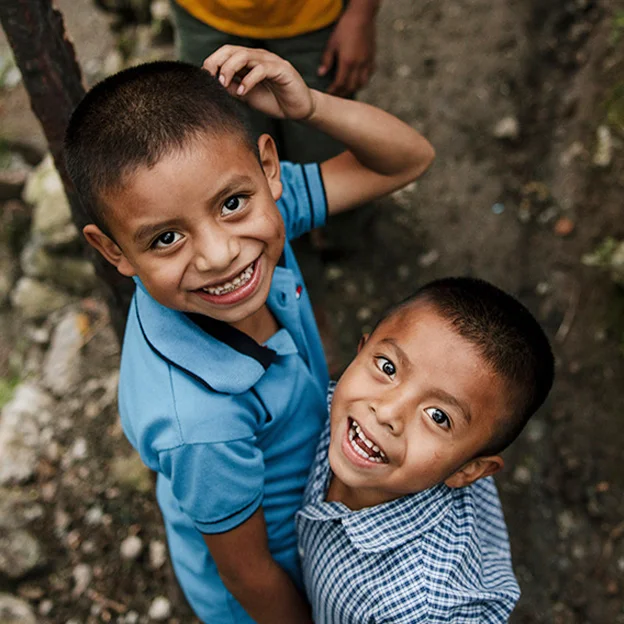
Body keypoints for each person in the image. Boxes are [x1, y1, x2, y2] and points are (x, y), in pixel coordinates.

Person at [63, 46, 434, 623]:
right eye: (166, 239)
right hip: (273, 587)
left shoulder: (261, 222)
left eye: (231, 204)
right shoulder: (200, 420)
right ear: (114, 250)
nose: (219, 254)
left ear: (269, 169)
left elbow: (407, 159)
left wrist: (308, 107)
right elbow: (248, 572)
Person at [297, 277, 555, 623]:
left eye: (438, 417)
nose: (387, 413)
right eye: (388, 367)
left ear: (469, 471)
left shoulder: (424, 608)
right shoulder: (333, 410)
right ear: (361, 351)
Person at [170, 0, 379, 163]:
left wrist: (361, 13)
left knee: (325, 147)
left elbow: (408, 158)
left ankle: (342, 218)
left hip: (312, 19)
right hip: (201, 16)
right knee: (230, 148)